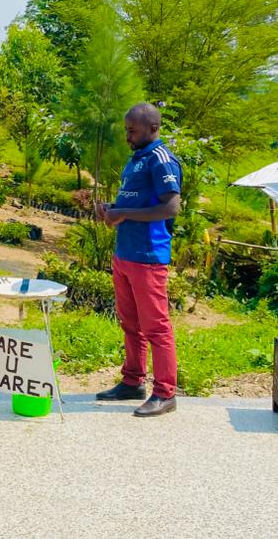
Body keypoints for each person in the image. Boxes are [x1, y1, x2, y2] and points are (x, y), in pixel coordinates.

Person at [95, 102, 183, 418]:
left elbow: (170, 207)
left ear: (153, 128)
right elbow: (131, 202)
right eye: (126, 130)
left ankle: (165, 392)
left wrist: (124, 213)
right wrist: (110, 208)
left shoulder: (162, 160)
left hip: (148, 257)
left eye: (132, 131)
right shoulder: (135, 161)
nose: (127, 136)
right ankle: (132, 381)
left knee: (156, 327)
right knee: (130, 324)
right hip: (125, 255)